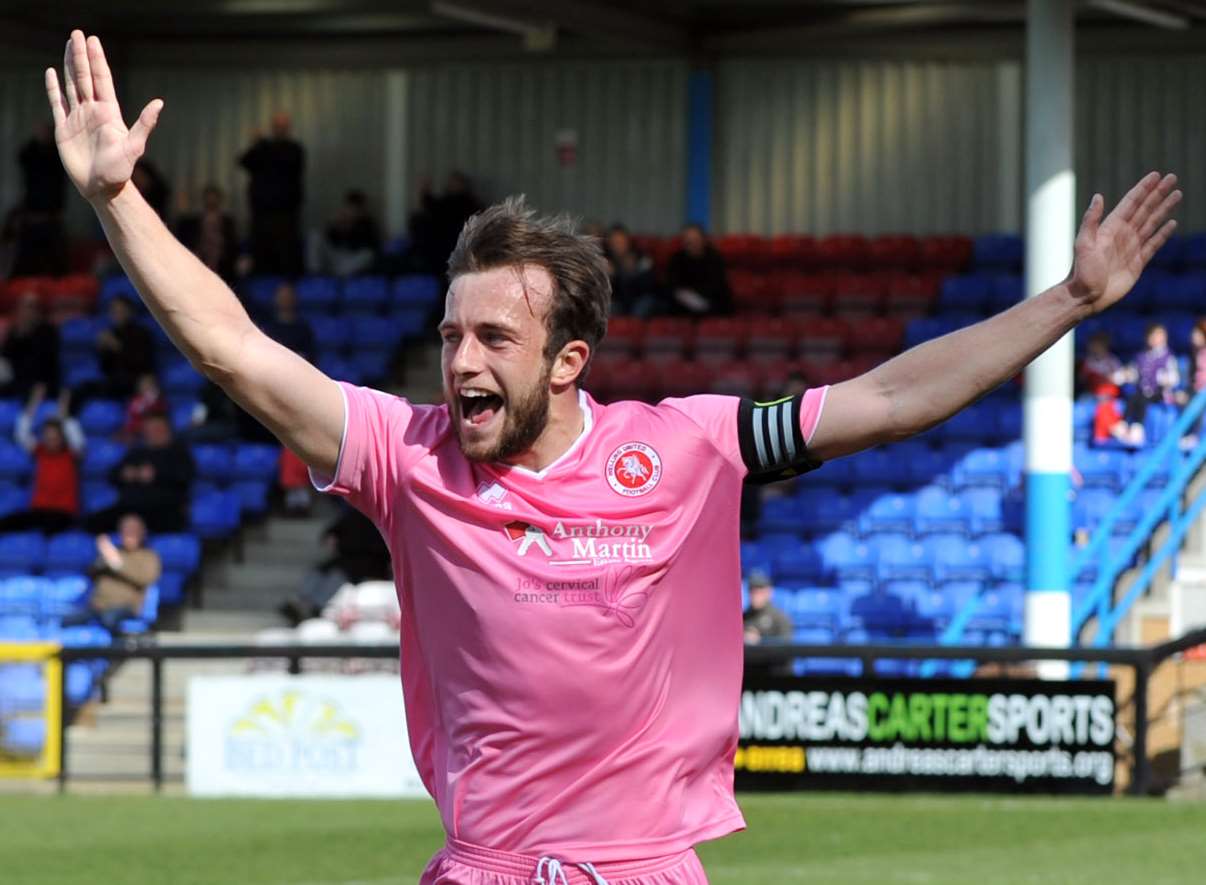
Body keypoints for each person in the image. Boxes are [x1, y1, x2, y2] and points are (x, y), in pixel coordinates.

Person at [44, 32, 1179, 882]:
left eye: (493, 337)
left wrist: (1073, 299)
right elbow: (236, 350)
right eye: (448, 336)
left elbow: (885, 399)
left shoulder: (685, 445)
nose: (460, 362)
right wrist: (120, 201)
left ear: (569, 358)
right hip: (481, 867)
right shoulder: (408, 456)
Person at [278, 505, 392, 625]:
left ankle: (316, 607)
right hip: (345, 559)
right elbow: (331, 530)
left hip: (371, 563)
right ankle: (300, 600)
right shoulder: (354, 513)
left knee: (336, 576)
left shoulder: (383, 518)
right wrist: (331, 537)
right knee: (317, 572)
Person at [88, 413, 194, 533]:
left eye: (157, 429)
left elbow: (185, 477)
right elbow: (112, 475)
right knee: (91, 523)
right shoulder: (137, 452)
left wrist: (157, 475)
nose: (153, 433)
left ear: (167, 429)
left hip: (163, 508)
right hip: (130, 508)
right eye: (149, 430)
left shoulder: (178, 452)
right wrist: (124, 474)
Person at [0, 386, 85, 534]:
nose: (51, 439)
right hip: (39, 509)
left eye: (54, 435)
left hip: (63, 512)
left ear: (61, 436)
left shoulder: (72, 453)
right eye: (47, 435)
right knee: (8, 523)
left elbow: (74, 433)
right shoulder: (40, 451)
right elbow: (22, 431)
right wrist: (35, 401)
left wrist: (63, 409)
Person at [67, 513, 161, 634]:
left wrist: (117, 563)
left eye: (133, 530)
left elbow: (146, 578)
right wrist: (102, 558)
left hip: (126, 607)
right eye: (125, 530)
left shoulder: (149, 556)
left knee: (108, 619)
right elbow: (90, 574)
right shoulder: (113, 552)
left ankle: (117, 651)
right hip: (97, 606)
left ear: (142, 533)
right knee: (68, 620)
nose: (129, 534)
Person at [238, 111, 305, 275]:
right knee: (261, 250)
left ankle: (287, 287)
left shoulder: (294, 149)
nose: (279, 129)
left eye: (282, 126)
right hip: (261, 212)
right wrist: (257, 145)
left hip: (285, 212)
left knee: (286, 252)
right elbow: (243, 161)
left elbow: (285, 161)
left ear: (288, 128)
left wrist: (262, 143)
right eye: (276, 126)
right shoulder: (263, 149)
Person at [410, 171, 483, 276]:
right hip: (442, 250)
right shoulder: (449, 201)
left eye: (455, 183)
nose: (451, 185)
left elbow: (436, 207)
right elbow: (434, 208)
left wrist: (425, 192)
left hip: (459, 248)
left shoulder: (467, 203)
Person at [1120, 323, 1179, 446]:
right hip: (1142, 391)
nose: (1156, 339)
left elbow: (1174, 378)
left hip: (1159, 393)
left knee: (1143, 400)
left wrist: (1164, 379)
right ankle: (1124, 425)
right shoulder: (1141, 356)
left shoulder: (1168, 357)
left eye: (1159, 336)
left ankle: (1138, 428)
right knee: (1133, 398)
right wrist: (1128, 375)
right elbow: (1135, 373)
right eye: (1153, 336)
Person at [0, 291, 60, 399]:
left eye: (31, 307)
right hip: (15, 385)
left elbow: (47, 364)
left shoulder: (48, 331)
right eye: (23, 307)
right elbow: (6, 360)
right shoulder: (14, 332)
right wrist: (20, 335)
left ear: (39, 311)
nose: (27, 311)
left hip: (41, 385)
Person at [94, 295, 155, 400]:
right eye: (114, 311)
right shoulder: (110, 333)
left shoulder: (141, 333)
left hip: (136, 379)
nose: (117, 315)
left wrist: (117, 347)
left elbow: (142, 362)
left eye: (121, 311)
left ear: (130, 312)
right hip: (113, 380)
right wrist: (101, 349)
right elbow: (105, 367)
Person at [308, 189, 381, 277]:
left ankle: (337, 281)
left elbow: (372, 247)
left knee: (368, 255)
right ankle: (314, 275)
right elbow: (330, 240)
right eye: (350, 206)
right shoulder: (339, 219)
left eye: (356, 207)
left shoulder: (368, 224)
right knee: (315, 235)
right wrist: (337, 225)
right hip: (334, 257)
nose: (352, 210)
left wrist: (354, 227)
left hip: (352, 259)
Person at [665, 223, 734, 317]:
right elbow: (672, 284)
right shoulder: (677, 259)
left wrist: (699, 296)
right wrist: (687, 296)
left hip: (710, 300)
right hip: (684, 302)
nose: (692, 243)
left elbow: (718, 284)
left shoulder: (714, 258)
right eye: (688, 241)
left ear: (703, 240)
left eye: (696, 240)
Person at [176, 184, 238, 280]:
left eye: (214, 198)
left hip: (222, 265)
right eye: (209, 198)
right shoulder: (192, 222)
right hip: (199, 262)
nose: (211, 201)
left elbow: (232, 245)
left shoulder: (227, 222)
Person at [604, 224, 661, 316]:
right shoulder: (606, 260)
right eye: (615, 243)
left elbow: (651, 285)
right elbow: (606, 292)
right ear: (610, 244)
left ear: (628, 242)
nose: (619, 246)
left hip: (639, 298)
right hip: (618, 301)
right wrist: (610, 276)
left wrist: (633, 273)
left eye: (621, 242)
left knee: (643, 306)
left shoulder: (641, 257)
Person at [261, 282, 315, 361]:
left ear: (294, 298)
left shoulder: (303, 329)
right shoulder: (267, 328)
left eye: (288, 296)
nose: (285, 299)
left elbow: (308, 356)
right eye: (282, 296)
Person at [742, 570, 792, 644]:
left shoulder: (779, 617)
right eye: (753, 591)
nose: (756, 596)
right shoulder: (744, 616)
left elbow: (786, 644)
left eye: (760, 592)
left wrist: (760, 640)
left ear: (769, 592)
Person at [120, 372, 167, 442]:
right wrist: (146, 401)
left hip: (155, 431)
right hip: (138, 432)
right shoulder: (135, 401)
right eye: (144, 385)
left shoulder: (159, 400)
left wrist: (152, 400)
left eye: (150, 385)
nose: (147, 387)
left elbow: (162, 413)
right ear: (139, 387)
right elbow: (133, 415)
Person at [1078, 331, 1123, 396]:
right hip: (1092, 393)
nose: (1096, 348)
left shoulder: (1112, 360)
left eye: (1098, 345)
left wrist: (1109, 377)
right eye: (1093, 345)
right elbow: (1082, 379)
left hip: (1109, 393)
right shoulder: (1088, 361)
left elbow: (1120, 378)